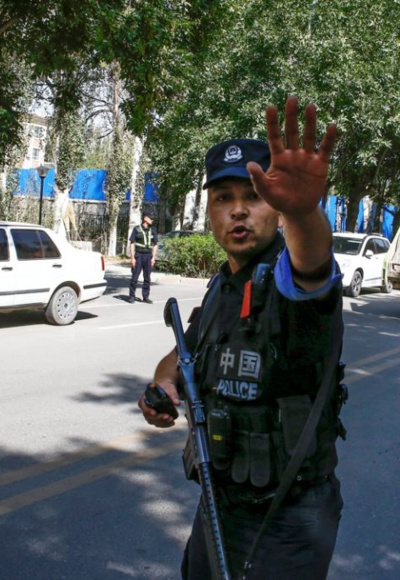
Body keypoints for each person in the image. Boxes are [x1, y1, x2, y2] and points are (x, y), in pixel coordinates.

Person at [138, 97, 345, 579]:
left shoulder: (290, 276)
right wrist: (163, 388)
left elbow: (313, 265)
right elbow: (182, 355)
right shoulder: (223, 284)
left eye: (252, 197)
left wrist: (304, 212)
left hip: (289, 515)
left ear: (274, 206)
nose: (237, 211)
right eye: (222, 199)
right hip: (220, 501)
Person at [128, 212, 158, 304]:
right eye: (150, 218)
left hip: (148, 256)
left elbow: (155, 244)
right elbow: (132, 244)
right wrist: (132, 258)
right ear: (145, 218)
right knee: (135, 277)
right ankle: (132, 296)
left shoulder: (152, 230)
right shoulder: (136, 229)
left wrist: (153, 258)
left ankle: (145, 297)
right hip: (139, 255)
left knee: (147, 278)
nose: (152, 220)